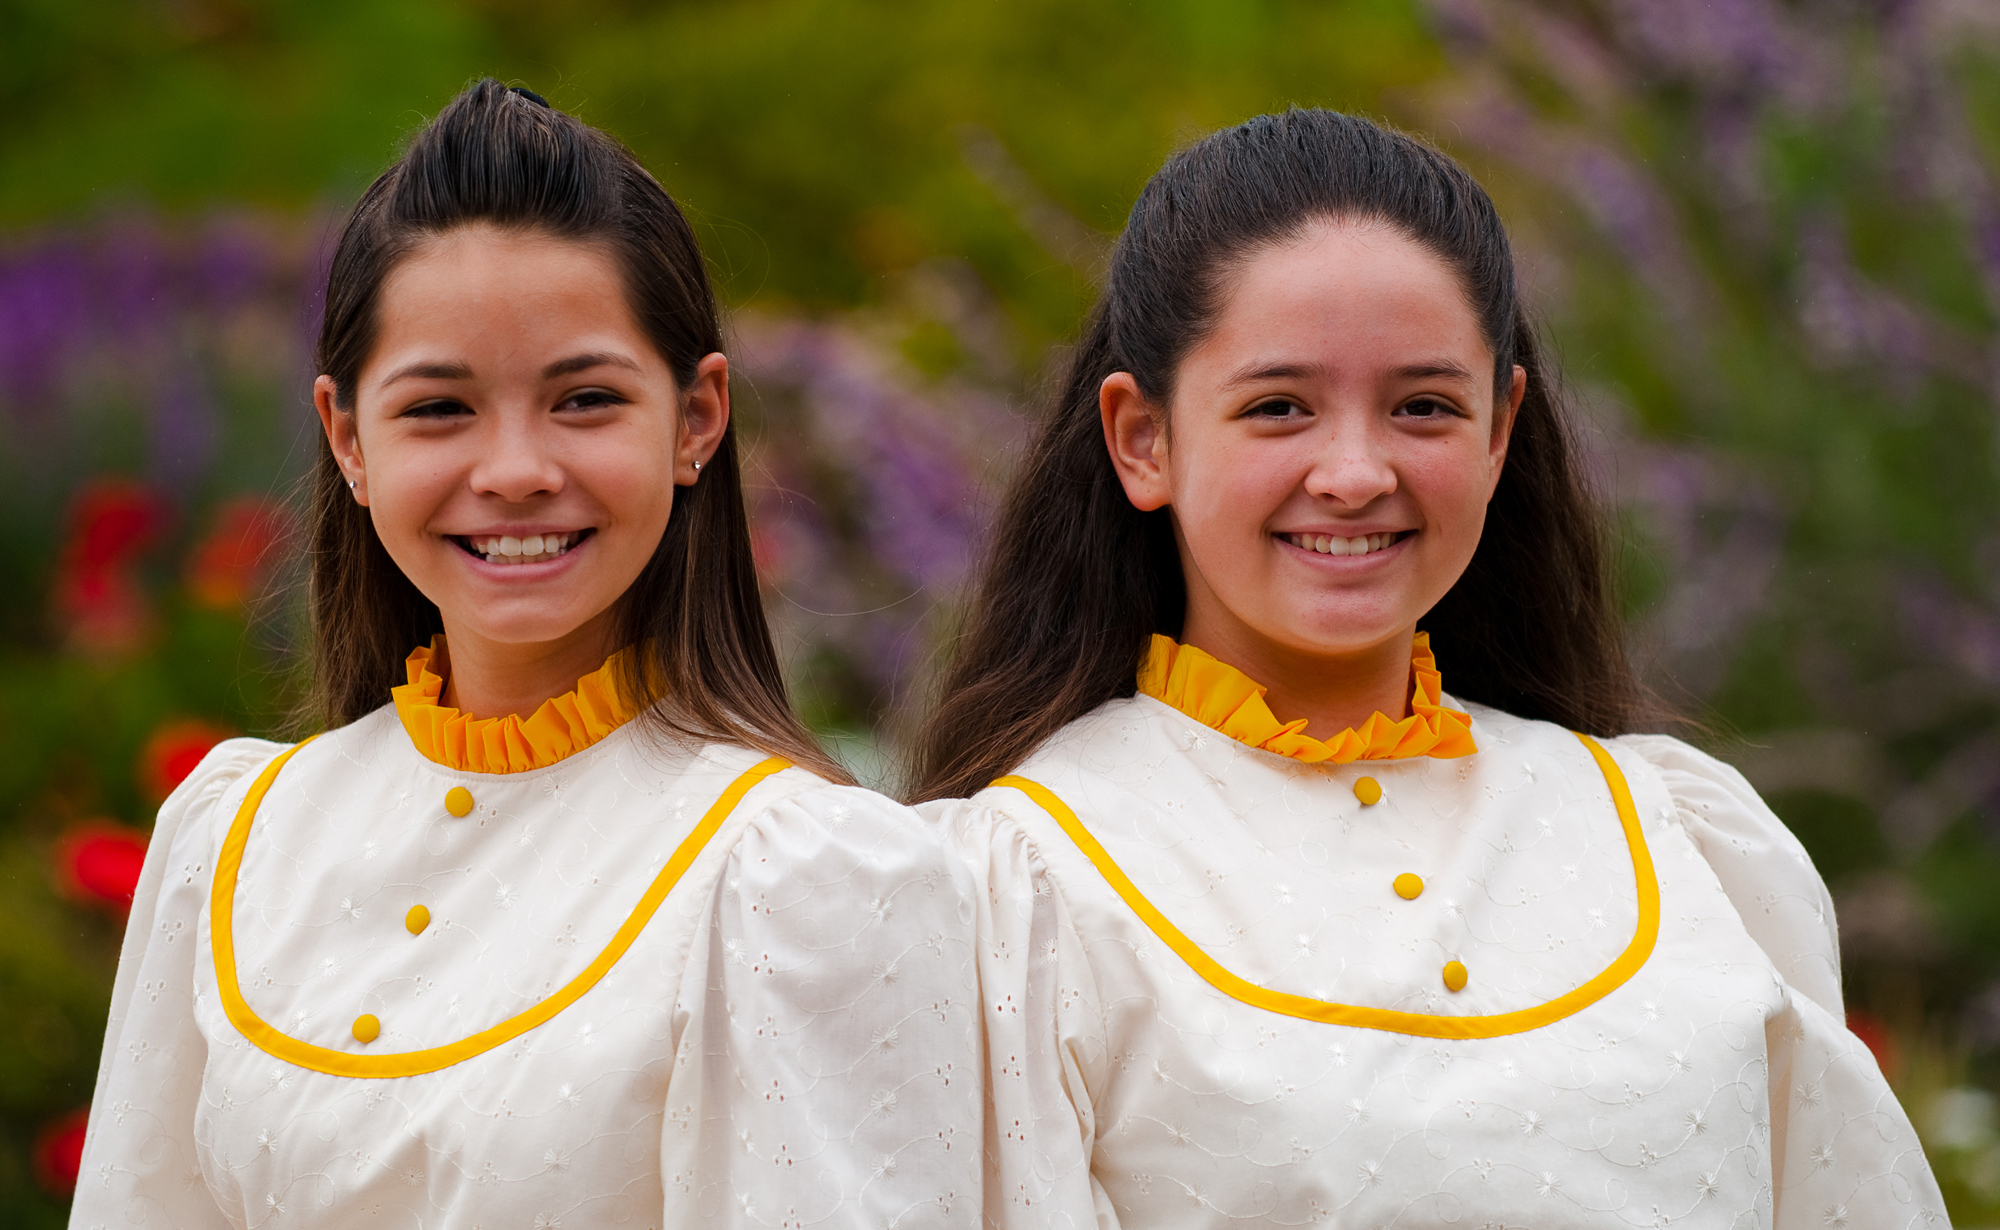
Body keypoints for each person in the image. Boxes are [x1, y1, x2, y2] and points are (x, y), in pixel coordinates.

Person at [911, 109, 1945, 1228]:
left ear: (1499, 429)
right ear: (1140, 439)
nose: (1354, 472)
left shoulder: (1681, 835)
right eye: (1277, 408)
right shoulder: (1012, 885)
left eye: (1421, 407)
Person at [73, 80, 979, 1229]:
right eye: (439, 409)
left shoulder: (799, 875)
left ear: (696, 418)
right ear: (346, 437)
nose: (512, 470)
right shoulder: (233, 838)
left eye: (585, 399)